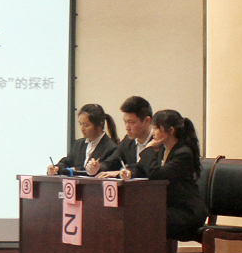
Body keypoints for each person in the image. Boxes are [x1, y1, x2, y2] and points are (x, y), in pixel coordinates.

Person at [121, 109, 208, 239]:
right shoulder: (161, 149)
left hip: (186, 212)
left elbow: (156, 174)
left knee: (145, 217)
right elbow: (141, 168)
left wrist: (148, 150)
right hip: (169, 208)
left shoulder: (183, 153)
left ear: (171, 130)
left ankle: (151, 252)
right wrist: (129, 172)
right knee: (137, 213)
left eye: (156, 128)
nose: (153, 132)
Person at [87, 96, 154, 177]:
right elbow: (112, 161)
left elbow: (145, 169)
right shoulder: (128, 141)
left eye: (131, 122)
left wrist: (126, 172)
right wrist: (98, 167)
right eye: (125, 122)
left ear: (147, 121)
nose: (127, 127)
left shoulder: (158, 142)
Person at [47, 103, 119, 176]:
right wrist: (56, 168)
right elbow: (68, 161)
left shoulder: (111, 147)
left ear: (100, 125)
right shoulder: (78, 144)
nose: (82, 129)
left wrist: (76, 170)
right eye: (80, 124)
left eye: (86, 125)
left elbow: (105, 168)